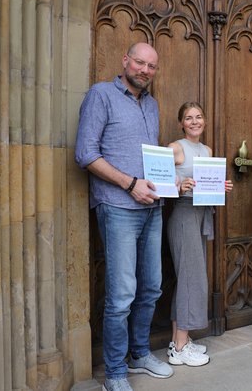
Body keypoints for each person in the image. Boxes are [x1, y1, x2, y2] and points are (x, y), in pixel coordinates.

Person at [75, 43, 173, 391]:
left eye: (152, 66)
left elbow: (149, 157)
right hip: (117, 208)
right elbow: (85, 153)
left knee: (151, 287)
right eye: (140, 63)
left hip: (153, 208)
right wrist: (131, 184)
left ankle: (140, 354)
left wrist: (167, 183)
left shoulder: (152, 104)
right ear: (125, 61)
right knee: (121, 295)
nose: (145, 70)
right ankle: (115, 373)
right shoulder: (101, 94)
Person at [166, 102, 233, 366]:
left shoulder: (206, 150)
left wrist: (221, 187)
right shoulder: (175, 148)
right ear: (181, 123)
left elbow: (208, 185)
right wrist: (179, 185)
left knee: (188, 277)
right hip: (183, 215)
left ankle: (178, 342)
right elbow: (156, 177)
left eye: (199, 117)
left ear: (204, 121)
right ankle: (181, 348)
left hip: (201, 214)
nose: (195, 121)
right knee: (191, 278)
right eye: (188, 118)